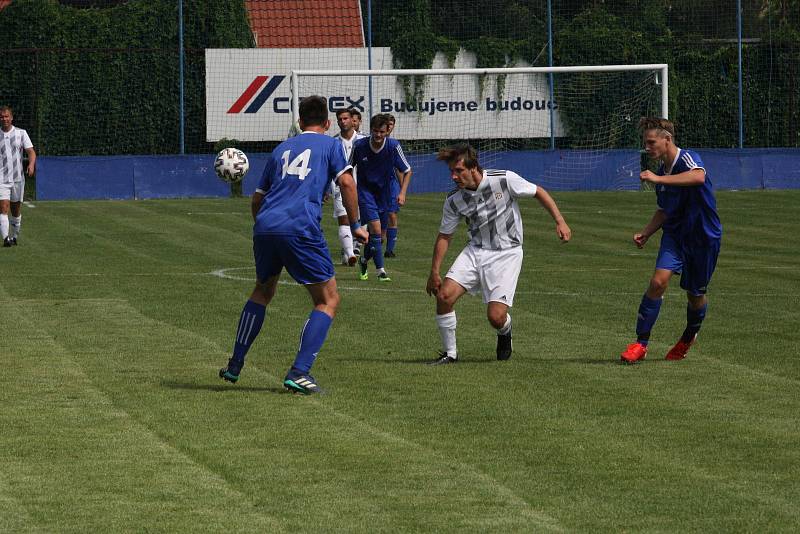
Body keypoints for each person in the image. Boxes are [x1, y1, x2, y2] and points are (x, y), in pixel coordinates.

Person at [218, 95, 367, 394]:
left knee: (262, 291)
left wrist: (266, 228)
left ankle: (235, 364)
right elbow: (348, 183)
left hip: (266, 226)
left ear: (299, 122)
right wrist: (356, 226)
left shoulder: (281, 148)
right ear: (327, 123)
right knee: (328, 299)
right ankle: (300, 372)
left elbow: (258, 199)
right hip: (299, 227)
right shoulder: (332, 144)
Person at [426, 143, 571, 364]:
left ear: (473, 167)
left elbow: (538, 191)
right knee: (444, 296)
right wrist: (434, 272)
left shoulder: (504, 179)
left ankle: (505, 331)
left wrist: (560, 222)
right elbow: (445, 235)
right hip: (475, 251)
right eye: (451, 172)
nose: (454, 177)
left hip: (507, 254)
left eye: (458, 171)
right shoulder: (454, 199)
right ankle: (450, 354)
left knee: (496, 317)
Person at [620, 117, 722, 363]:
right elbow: (665, 210)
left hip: (703, 236)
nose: (648, 147)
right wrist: (646, 232)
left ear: (667, 139)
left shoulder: (686, 158)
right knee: (658, 282)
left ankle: (688, 337)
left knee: (694, 294)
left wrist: (658, 179)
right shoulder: (661, 177)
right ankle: (640, 344)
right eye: (645, 143)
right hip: (675, 236)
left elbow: (697, 177)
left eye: (651, 142)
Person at [351, 113, 411, 281]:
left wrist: (402, 192)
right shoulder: (359, 145)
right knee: (375, 229)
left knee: (380, 237)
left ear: (387, 131)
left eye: (382, 132)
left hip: (385, 194)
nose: (378, 135)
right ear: (371, 130)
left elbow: (407, 170)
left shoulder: (393, 146)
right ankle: (381, 271)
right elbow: (348, 167)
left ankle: (364, 260)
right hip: (365, 192)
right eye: (375, 131)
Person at [331, 108, 367, 265]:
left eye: (345, 118)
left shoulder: (364, 140)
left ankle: (351, 248)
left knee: (360, 219)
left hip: (363, 185)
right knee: (343, 218)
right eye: (340, 119)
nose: (343, 121)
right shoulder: (333, 142)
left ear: (353, 120)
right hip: (339, 185)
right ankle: (350, 254)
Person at [0, 106, 36, 247]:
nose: (4, 119)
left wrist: (31, 164)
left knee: (15, 210)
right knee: (3, 208)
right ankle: (5, 239)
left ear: (11, 117)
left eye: (6, 116)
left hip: (18, 179)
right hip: (2, 179)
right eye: (2, 117)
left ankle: (14, 236)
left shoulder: (21, 133)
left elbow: (31, 152)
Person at [382, 113, 411, 258]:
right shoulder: (371, 142)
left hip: (391, 186)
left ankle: (389, 249)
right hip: (374, 186)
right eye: (386, 124)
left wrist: (402, 191)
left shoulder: (394, 145)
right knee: (377, 217)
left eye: (391, 124)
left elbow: (401, 169)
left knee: (391, 215)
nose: (388, 127)